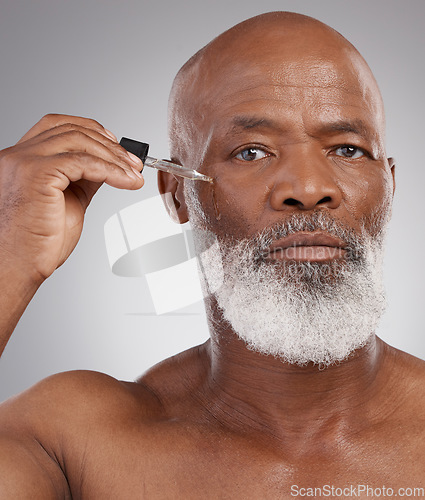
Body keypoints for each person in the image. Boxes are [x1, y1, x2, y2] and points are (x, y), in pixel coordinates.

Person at [0, 10, 424, 498]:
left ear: (390, 186)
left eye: (348, 151)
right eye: (251, 151)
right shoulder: (70, 444)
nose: (309, 188)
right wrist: (12, 257)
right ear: (177, 193)